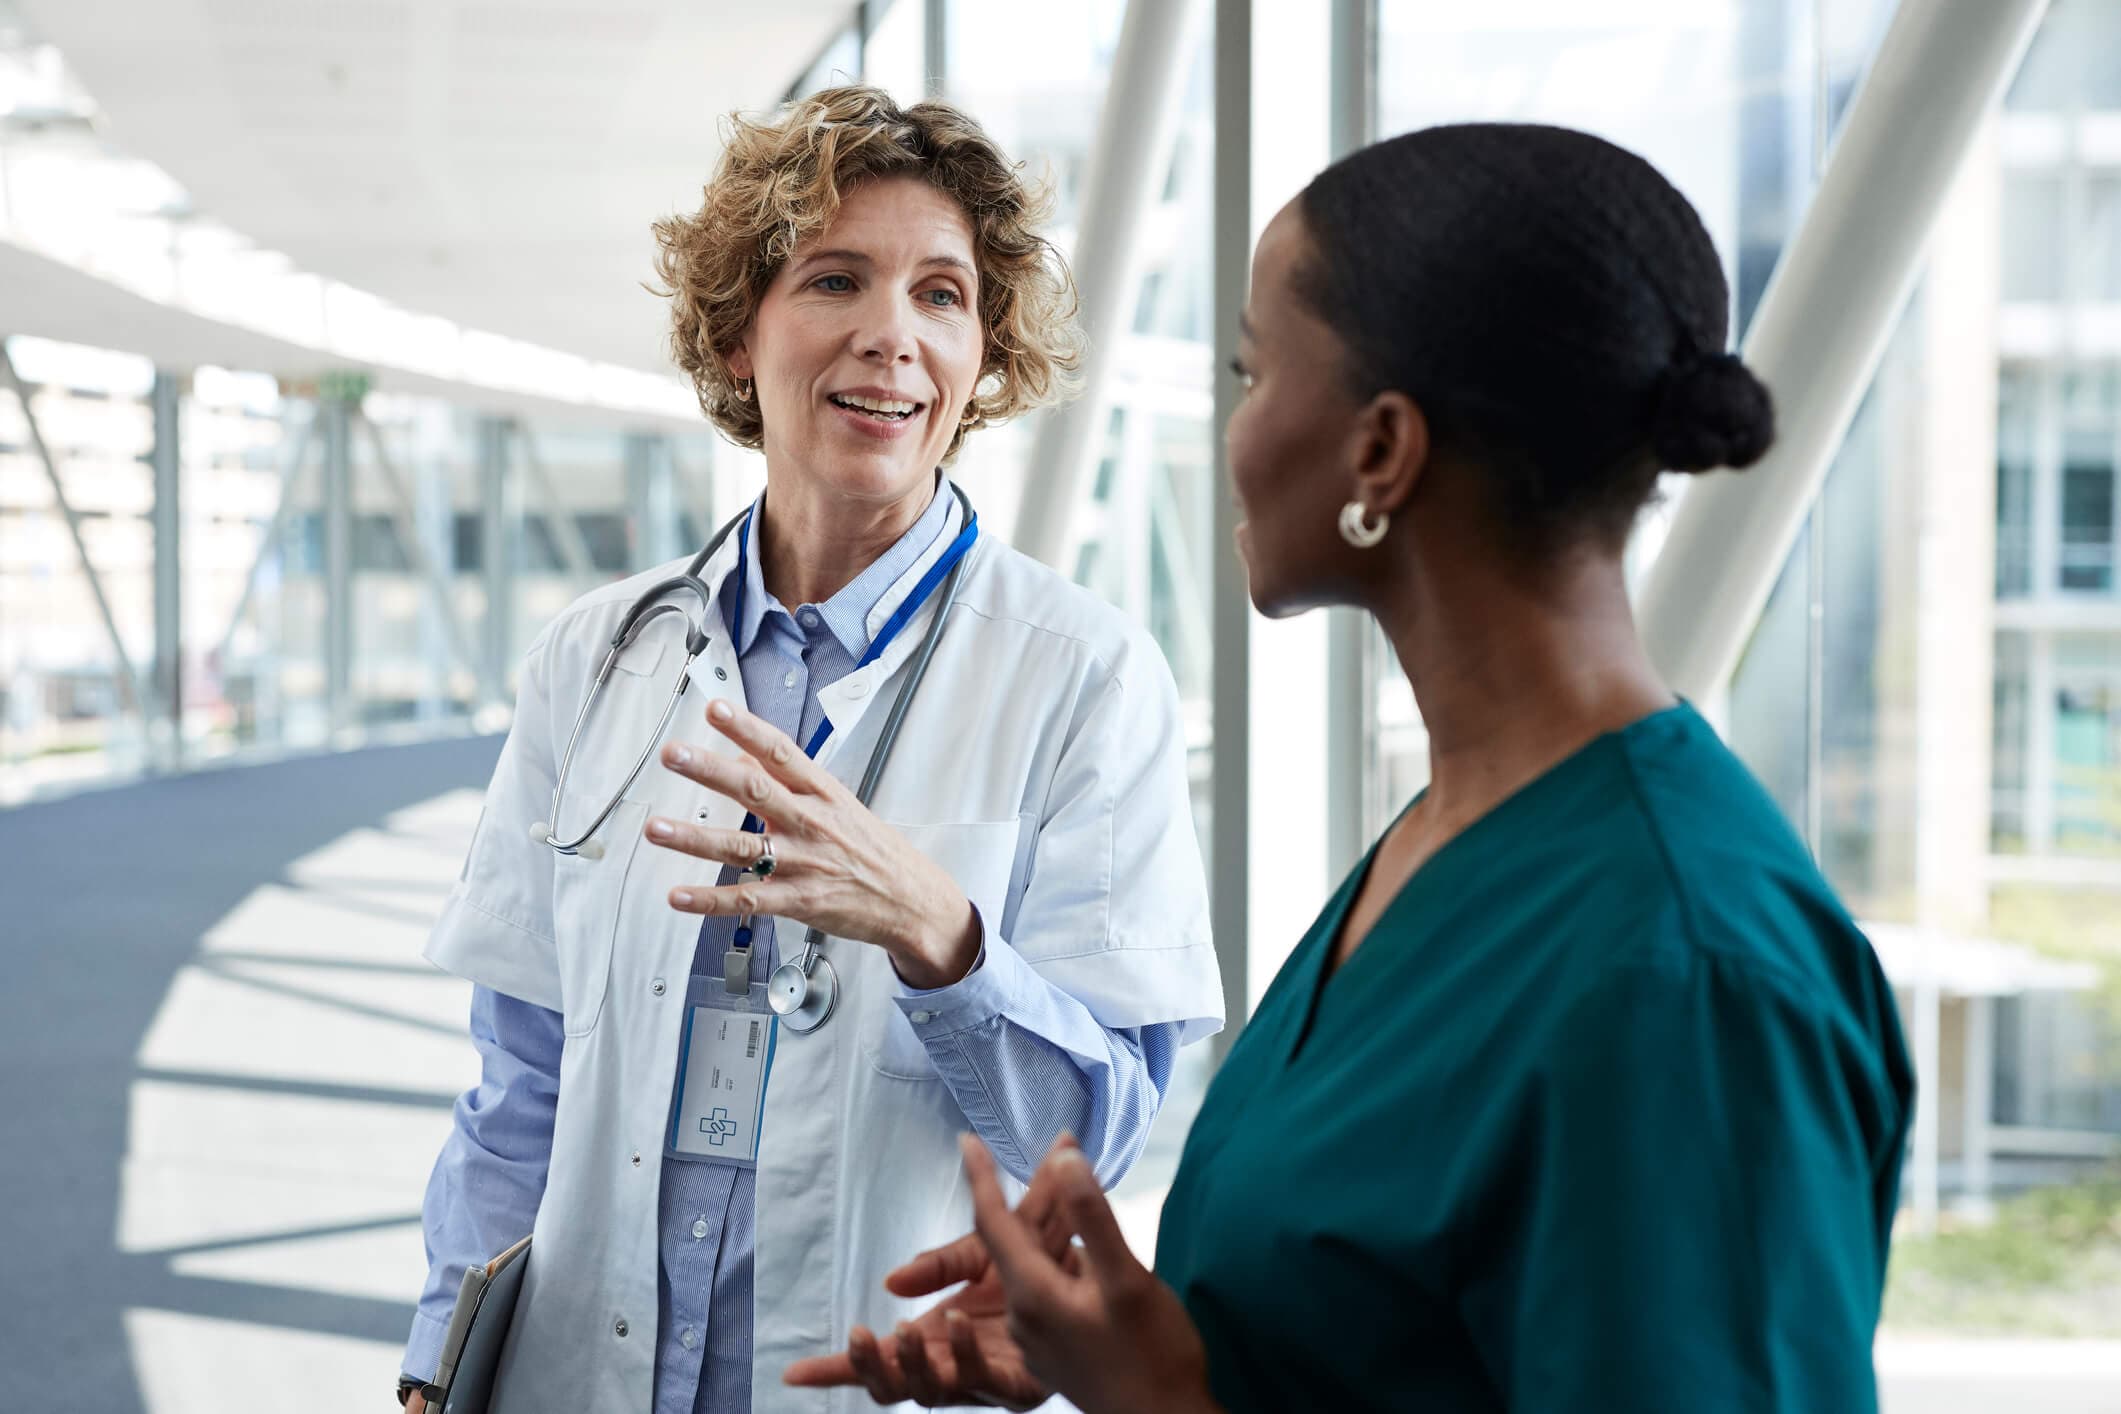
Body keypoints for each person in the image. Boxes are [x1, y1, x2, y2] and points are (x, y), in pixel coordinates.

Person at [788, 122, 1915, 1413]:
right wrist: (1154, 1339)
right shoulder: (1451, 837)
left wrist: (1170, 1399)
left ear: (1380, 450)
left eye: (1253, 368)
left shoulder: (1683, 968)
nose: (1233, 428)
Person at [399, 85, 1224, 1413]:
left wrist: (941, 934)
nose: (892, 336)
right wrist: (436, 1372)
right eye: (836, 279)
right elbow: (520, 1086)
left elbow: (1100, 1134)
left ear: (983, 353)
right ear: (737, 336)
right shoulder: (596, 656)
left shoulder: (1082, 675)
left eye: (943, 295)